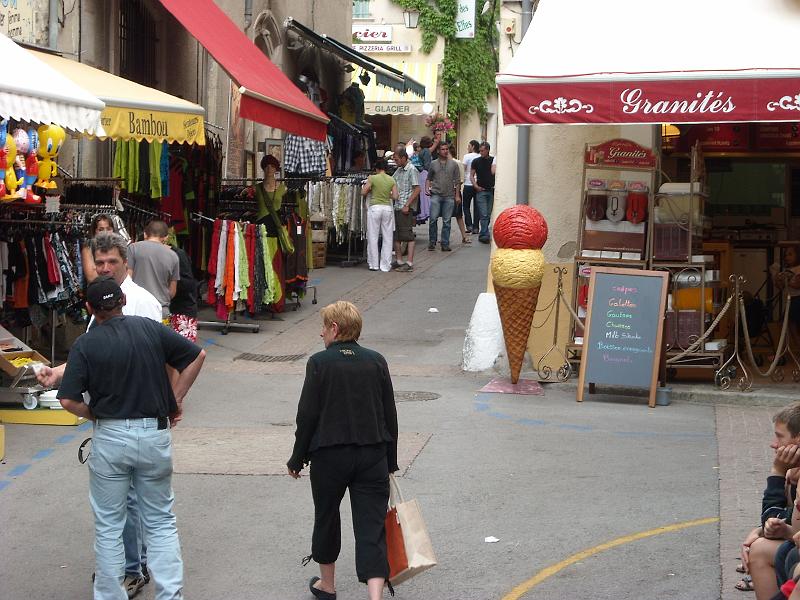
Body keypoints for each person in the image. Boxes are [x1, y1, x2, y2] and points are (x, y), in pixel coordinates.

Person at [57, 276, 206, 600]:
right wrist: (176, 399)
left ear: (90, 309)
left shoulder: (86, 344)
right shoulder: (149, 328)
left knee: (109, 525)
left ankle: (110, 595)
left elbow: (67, 399)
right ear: (122, 300)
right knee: (161, 521)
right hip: (154, 433)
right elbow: (197, 356)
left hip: (111, 436)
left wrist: (94, 414)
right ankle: (170, 595)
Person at [37, 231, 161, 597]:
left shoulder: (142, 303)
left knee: (128, 500)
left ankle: (131, 569)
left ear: (127, 264)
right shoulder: (101, 302)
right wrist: (58, 372)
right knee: (122, 499)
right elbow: (90, 353)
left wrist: (168, 405)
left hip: (132, 418)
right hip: (109, 418)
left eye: (112, 263)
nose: (105, 268)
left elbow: (168, 357)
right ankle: (127, 565)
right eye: (100, 263)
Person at [287, 301, 399, 600]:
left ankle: (328, 585)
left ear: (335, 329)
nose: (321, 333)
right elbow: (390, 414)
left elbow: (307, 415)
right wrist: (391, 460)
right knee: (371, 525)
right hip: (372, 454)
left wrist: (297, 458)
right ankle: (375, 595)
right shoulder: (377, 361)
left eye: (324, 327)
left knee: (326, 516)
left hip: (329, 456)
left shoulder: (319, 363)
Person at [738, 404, 800, 597]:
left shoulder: (789, 473)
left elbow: (782, 520)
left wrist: (777, 472)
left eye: (780, 436)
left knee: (780, 553)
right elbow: (781, 520)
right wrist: (759, 530)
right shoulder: (793, 472)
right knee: (759, 548)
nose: (774, 444)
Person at [127, 220, 180, 319]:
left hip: (137, 309)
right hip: (161, 310)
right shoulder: (174, 256)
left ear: (145, 234)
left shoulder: (133, 248)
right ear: (166, 238)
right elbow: (172, 291)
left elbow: (128, 280)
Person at [362, 158, 398, 272]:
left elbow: (363, 192)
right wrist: (387, 195)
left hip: (375, 208)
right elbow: (396, 196)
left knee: (373, 236)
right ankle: (385, 265)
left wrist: (371, 190)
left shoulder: (372, 178)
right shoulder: (391, 179)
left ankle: (374, 264)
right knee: (388, 237)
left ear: (376, 168)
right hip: (387, 208)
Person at [425, 141, 462, 252]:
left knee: (447, 221)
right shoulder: (433, 164)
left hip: (449, 196)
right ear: (438, 151)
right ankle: (432, 241)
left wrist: (457, 196)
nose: (445, 151)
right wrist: (427, 188)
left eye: (446, 149)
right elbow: (429, 178)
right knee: (433, 219)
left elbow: (457, 181)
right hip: (436, 194)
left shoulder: (453, 164)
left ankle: (445, 243)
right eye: (443, 149)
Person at [391, 149, 420, 272]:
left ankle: (409, 262)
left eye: (397, 159)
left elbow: (417, 189)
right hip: (397, 205)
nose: (395, 161)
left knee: (407, 235)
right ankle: (399, 260)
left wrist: (407, 204)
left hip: (405, 207)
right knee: (397, 234)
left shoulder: (411, 170)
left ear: (403, 158)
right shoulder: (398, 170)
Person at [168, 243, 198, 342]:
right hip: (172, 311)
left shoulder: (178, 255)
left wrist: (171, 282)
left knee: (184, 350)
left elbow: (188, 283)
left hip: (181, 311)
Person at [471, 141, 497, 244]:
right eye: (480, 150)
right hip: (480, 190)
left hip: (490, 189)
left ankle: (484, 231)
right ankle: (484, 235)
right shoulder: (476, 161)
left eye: (482, 150)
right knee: (484, 213)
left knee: (488, 213)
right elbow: (471, 175)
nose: (481, 152)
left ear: (487, 150)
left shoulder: (492, 160)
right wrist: (476, 186)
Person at [82, 214, 117, 284]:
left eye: (108, 229)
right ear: (95, 231)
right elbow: (91, 277)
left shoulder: (118, 247)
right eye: (101, 229)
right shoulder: (89, 247)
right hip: (98, 290)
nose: (105, 232)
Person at [462, 140, 480, 234]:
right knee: (477, 206)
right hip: (478, 184)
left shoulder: (467, 156)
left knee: (466, 206)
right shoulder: (480, 156)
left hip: (468, 183)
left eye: (469, 146)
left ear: (473, 146)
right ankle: (476, 227)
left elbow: (463, 169)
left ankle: (469, 225)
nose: (468, 147)